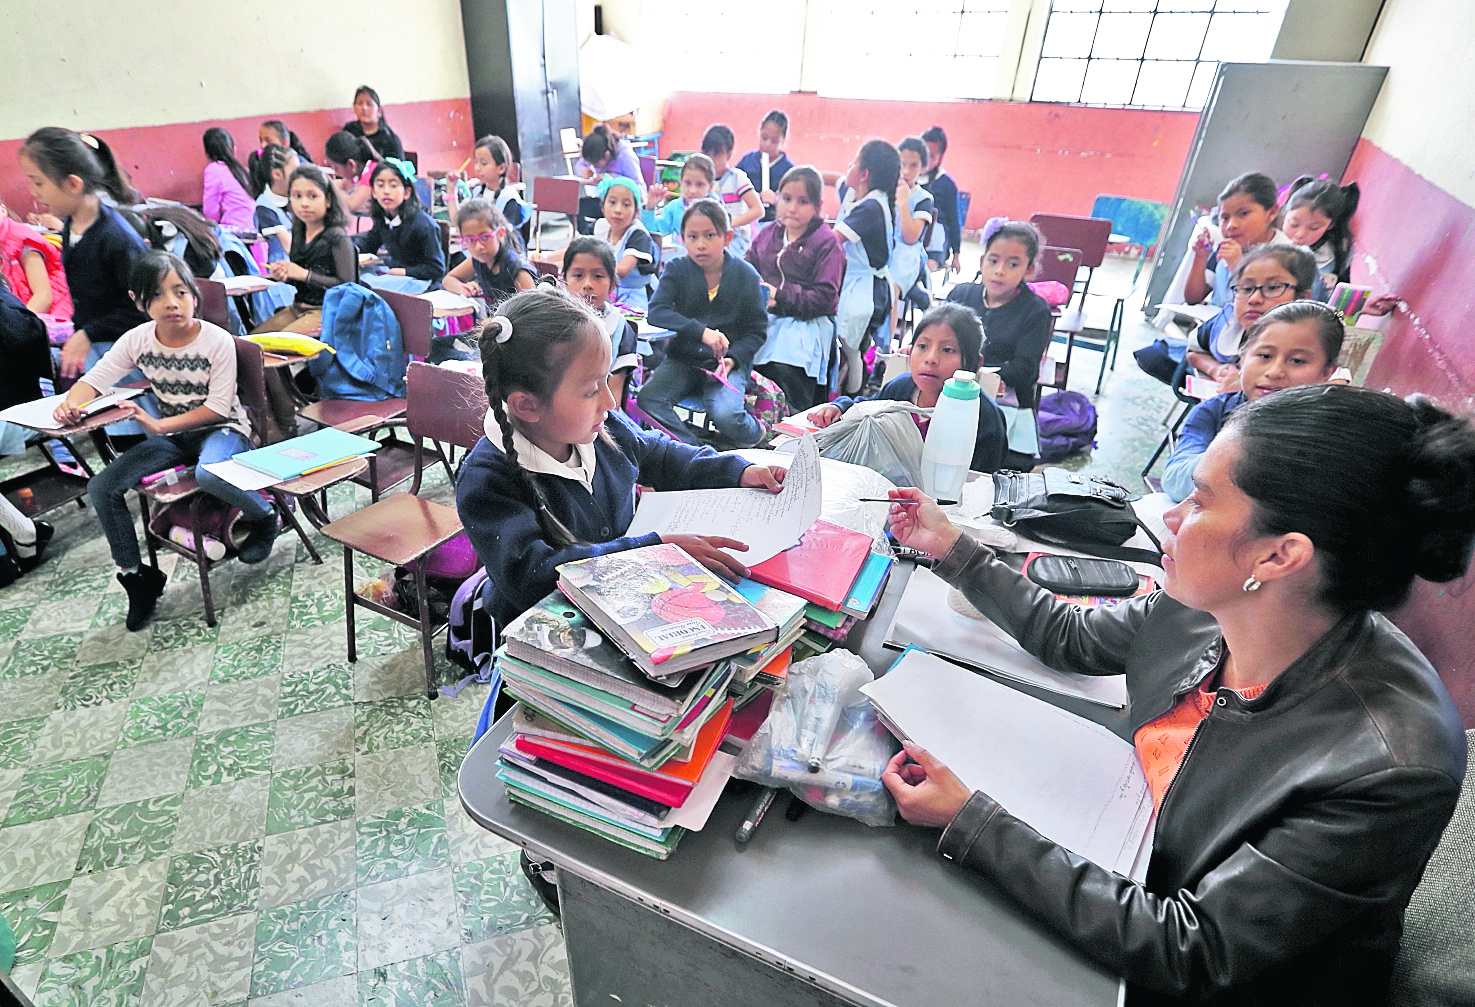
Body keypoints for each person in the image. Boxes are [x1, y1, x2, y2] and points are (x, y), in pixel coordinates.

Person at [881, 382, 1473, 1006]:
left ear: (1278, 556)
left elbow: (1196, 950)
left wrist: (973, 822)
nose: (1170, 516)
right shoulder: (1212, 604)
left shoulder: (1389, 766)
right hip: (1118, 865)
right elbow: (1073, 638)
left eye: (1199, 500)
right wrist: (954, 549)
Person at [455, 286, 787, 631]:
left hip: (624, 601)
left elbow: (660, 455)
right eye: (590, 390)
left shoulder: (599, 428)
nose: (611, 402)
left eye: (607, 380)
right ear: (526, 405)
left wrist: (737, 471)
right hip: (550, 633)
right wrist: (654, 553)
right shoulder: (488, 479)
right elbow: (533, 578)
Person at [57, 252, 279, 629]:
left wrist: (159, 426)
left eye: (180, 292)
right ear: (138, 301)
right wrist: (70, 405)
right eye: (157, 295)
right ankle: (136, 577)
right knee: (102, 487)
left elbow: (217, 408)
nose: (171, 303)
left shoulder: (216, 340)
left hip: (225, 429)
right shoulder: (138, 339)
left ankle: (265, 516)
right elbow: (95, 379)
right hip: (175, 436)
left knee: (209, 474)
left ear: (194, 294)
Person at [1163, 300, 1344, 502]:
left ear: (1327, 372)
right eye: (1265, 356)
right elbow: (1174, 480)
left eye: (1297, 361)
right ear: (1242, 358)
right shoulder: (1213, 411)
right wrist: (1245, 446)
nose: (1275, 372)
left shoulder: (1328, 429)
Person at [809, 302, 1007, 473]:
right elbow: (866, 407)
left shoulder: (985, 418)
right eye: (923, 346)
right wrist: (839, 407)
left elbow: (981, 483)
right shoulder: (902, 388)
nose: (931, 359)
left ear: (975, 364)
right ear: (910, 353)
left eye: (947, 350)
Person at [19, 128, 149, 381]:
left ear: (73, 184)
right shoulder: (71, 225)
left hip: (127, 360)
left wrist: (89, 334)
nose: (34, 192)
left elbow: (143, 309)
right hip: (96, 351)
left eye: (38, 182)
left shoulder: (116, 238)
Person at [636, 199, 768, 448]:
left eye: (710, 235)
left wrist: (733, 359)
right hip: (683, 359)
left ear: (727, 237)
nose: (700, 245)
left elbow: (757, 332)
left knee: (726, 415)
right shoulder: (676, 269)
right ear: (682, 238)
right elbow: (657, 312)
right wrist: (701, 332)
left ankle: (756, 433)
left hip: (726, 365)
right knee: (648, 399)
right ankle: (695, 448)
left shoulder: (745, 275)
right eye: (692, 237)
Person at [945, 220, 1053, 466]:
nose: (999, 271)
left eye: (1013, 264)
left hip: (1006, 408)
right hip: (951, 397)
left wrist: (972, 372)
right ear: (982, 261)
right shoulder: (960, 296)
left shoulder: (1035, 311)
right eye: (993, 260)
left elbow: (1025, 371)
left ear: (1029, 270)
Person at [744, 165, 843, 412]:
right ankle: (754, 426)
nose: (792, 208)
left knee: (785, 372)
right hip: (767, 318)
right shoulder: (769, 233)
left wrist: (779, 295)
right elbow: (747, 267)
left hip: (807, 325)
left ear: (818, 206)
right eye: (786, 199)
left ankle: (787, 424)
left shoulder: (827, 244)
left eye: (803, 201)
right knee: (744, 363)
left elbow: (824, 298)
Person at [1183, 245, 1315, 395]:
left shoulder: (1307, 346)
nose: (1254, 299)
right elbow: (1193, 351)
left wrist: (1248, 385)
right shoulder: (1228, 323)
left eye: (1272, 288)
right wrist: (1216, 369)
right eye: (1246, 288)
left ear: (1302, 298)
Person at [253, 165, 357, 334]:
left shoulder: (337, 236)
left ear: (328, 200)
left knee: (278, 344)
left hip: (327, 311)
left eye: (312, 196)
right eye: (297, 196)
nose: (304, 204)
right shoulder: (298, 231)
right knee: (252, 340)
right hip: (297, 307)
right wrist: (285, 276)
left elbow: (347, 286)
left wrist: (304, 274)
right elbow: (302, 283)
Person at [834, 140, 900, 369]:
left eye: (854, 162)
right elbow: (834, 180)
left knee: (850, 352)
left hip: (867, 291)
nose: (849, 166)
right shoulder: (858, 196)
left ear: (864, 174)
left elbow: (832, 241)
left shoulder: (870, 207)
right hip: (859, 284)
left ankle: (851, 390)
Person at [1183, 172, 1290, 308]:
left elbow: (1263, 309)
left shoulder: (1286, 256)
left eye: (1243, 214)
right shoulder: (1226, 247)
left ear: (1271, 213)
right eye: (1225, 217)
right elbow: (1193, 298)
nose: (1231, 225)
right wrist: (1200, 257)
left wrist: (1237, 267)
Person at [562, 236, 639, 405]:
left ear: (612, 284)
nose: (587, 284)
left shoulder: (619, 329)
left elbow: (613, 400)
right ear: (564, 280)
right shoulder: (552, 321)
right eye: (578, 275)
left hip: (601, 414)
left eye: (598, 276)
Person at [353, 159, 445, 295]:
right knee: (358, 279)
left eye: (393, 185)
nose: (386, 191)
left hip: (420, 282)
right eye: (380, 185)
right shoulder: (383, 218)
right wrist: (351, 248)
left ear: (406, 192)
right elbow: (370, 243)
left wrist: (403, 272)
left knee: (365, 288)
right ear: (373, 192)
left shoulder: (423, 225)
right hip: (394, 275)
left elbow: (437, 269)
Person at [442, 199, 536, 305]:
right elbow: (448, 280)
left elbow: (534, 311)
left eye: (485, 237)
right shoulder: (478, 259)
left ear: (500, 234)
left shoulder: (518, 271)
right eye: (470, 240)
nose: (478, 246)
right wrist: (464, 288)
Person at [888, 135, 935, 337]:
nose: (906, 171)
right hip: (885, 247)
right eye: (901, 164)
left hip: (906, 255)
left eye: (913, 165)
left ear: (923, 168)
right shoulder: (885, 191)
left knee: (890, 288)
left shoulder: (924, 199)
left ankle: (883, 346)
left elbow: (910, 237)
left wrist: (903, 202)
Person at [592, 176, 657, 315]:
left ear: (636, 212)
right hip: (606, 292)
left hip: (635, 299)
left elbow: (623, 270)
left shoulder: (638, 235)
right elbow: (575, 249)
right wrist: (547, 258)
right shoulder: (600, 226)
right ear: (603, 206)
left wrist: (589, 267)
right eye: (612, 202)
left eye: (626, 205)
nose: (618, 210)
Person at [445, 135, 530, 238]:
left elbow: (505, 239)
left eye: (483, 163)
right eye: (476, 162)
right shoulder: (477, 192)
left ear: (501, 168)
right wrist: (451, 189)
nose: (477, 168)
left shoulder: (509, 200)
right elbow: (457, 222)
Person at [701, 124, 763, 257]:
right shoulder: (701, 179)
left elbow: (758, 210)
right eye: (706, 153)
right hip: (710, 235)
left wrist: (727, 223)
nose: (710, 160)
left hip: (736, 236)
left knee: (719, 258)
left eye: (716, 155)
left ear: (729, 155)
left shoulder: (736, 177)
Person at [642, 153, 715, 262]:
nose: (692, 190)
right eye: (687, 183)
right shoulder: (674, 208)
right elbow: (652, 233)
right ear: (680, 181)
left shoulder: (716, 210)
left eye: (699, 184)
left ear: (710, 186)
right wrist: (650, 207)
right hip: (679, 265)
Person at [0, 207, 71, 318]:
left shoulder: (23, 242)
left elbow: (44, 297)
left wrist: (21, 323)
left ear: (3, 210)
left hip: (43, 317)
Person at [735, 110, 795, 227]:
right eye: (764, 137)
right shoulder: (747, 161)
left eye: (774, 141)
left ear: (783, 140)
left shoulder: (789, 170)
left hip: (775, 224)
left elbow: (794, 200)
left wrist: (777, 199)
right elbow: (733, 186)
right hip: (746, 221)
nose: (767, 144)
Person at [919, 126, 961, 275]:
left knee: (925, 268)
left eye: (931, 156)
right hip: (909, 235)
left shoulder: (946, 184)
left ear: (940, 158)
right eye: (922, 154)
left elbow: (954, 220)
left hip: (936, 243)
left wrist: (956, 255)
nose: (925, 161)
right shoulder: (906, 180)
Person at [251, 143, 300, 263]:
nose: (300, 176)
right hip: (281, 270)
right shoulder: (264, 208)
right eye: (295, 171)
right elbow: (289, 248)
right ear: (277, 174)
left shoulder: (293, 198)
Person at [200, 128, 255, 231]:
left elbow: (210, 212)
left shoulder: (213, 170)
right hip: (252, 229)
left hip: (233, 231)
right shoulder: (243, 170)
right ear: (233, 150)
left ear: (206, 154)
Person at [342, 85, 404, 161]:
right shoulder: (349, 130)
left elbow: (396, 167)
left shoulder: (389, 138)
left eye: (369, 104)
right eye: (359, 103)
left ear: (379, 111)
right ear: (354, 108)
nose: (364, 108)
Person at [247, 120, 312, 193]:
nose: (262, 145)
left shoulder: (301, 164)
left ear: (284, 144)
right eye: (261, 140)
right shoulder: (261, 162)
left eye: (268, 141)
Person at [323, 132, 378, 216]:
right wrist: (322, 184)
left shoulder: (371, 172)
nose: (335, 172)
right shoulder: (357, 171)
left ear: (351, 164)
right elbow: (344, 184)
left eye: (335, 168)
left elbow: (351, 205)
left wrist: (336, 192)